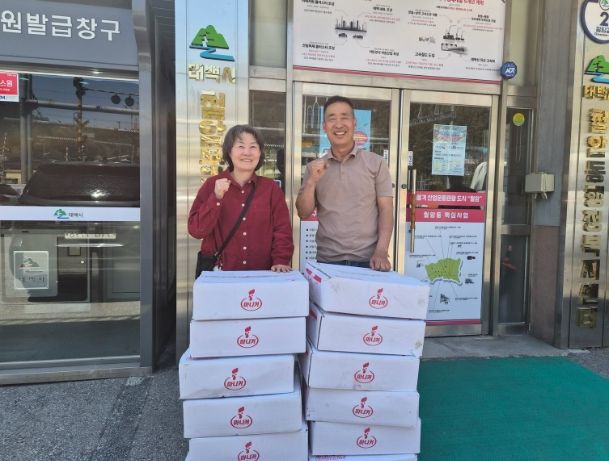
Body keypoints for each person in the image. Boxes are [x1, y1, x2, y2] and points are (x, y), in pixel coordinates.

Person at [296, 95, 394, 271]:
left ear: (354, 123)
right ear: (324, 127)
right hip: (327, 261)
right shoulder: (314, 168)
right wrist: (312, 182)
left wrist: (381, 251)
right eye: (332, 118)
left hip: (368, 261)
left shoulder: (376, 163)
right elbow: (303, 213)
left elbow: (386, 209)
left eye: (344, 117)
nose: (339, 124)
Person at [188, 124, 293, 272]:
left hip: (261, 274)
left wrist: (281, 260)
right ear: (229, 151)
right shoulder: (212, 185)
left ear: (260, 153)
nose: (247, 152)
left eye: (253, 147)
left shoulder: (270, 189)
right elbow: (196, 230)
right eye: (241, 146)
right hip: (221, 275)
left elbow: (282, 229)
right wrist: (216, 198)